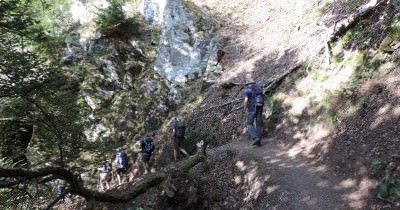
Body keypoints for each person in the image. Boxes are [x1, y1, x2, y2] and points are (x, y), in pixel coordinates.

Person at [243, 82, 264, 146]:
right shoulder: (259, 89)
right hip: (260, 108)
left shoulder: (247, 90)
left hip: (252, 109)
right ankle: (259, 142)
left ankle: (255, 138)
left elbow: (246, 101)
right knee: (259, 125)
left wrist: (244, 108)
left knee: (249, 124)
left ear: (247, 84)